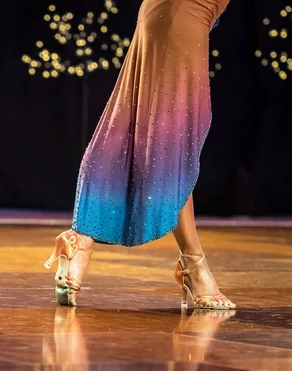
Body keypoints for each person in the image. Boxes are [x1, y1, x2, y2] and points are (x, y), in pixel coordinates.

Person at [45, 0, 235, 310]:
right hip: (183, 13)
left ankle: (81, 239)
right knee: (172, 141)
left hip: (179, 14)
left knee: (143, 131)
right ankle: (193, 264)